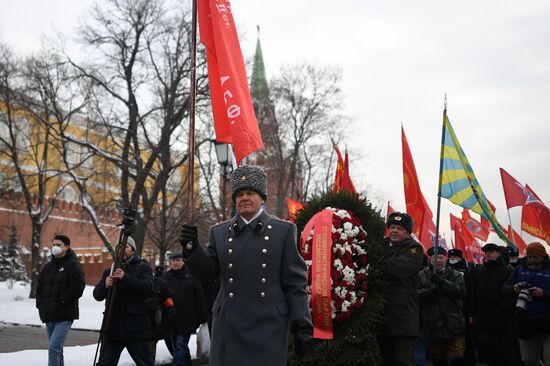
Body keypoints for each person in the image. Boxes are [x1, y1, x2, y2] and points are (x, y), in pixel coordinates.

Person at [180, 165, 313, 366]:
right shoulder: (219, 232)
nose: (244, 197)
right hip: (229, 326)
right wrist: (192, 249)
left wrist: (302, 324)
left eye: (250, 192)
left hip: (269, 326)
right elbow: (207, 274)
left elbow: (295, 283)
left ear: (262, 198)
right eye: (239, 194)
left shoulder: (283, 231)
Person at [93, 236, 156, 366]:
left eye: (126, 247)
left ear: (133, 250)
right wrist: (105, 285)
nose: (122, 250)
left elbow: (148, 288)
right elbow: (97, 295)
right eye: (119, 247)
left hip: (136, 328)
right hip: (113, 328)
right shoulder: (109, 270)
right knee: (105, 363)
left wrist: (125, 278)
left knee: (145, 363)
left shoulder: (143, 267)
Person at [378, 211, 424, 366]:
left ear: (407, 232)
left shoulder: (414, 249)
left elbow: (396, 269)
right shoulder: (379, 245)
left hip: (403, 320)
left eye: (399, 228)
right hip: (381, 319)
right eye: (392, 227)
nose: (394, 230)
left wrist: (375, 263)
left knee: (401, 362)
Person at [36, 234, 85, 366]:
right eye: (54, 245)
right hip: (49, 314)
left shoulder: (73, 265)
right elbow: (39, 287)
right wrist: (39, 304)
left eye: (59, 245)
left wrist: (60, 302)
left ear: (67, 247)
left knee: (53, 347)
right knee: (57, 349)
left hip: (64, 314)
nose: (55, 247)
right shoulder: (48, 267)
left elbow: (77, 288)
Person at [503, 242, 550, 366]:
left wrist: (543, 294)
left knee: (549, 357)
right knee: (528, 359)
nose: (532, 260)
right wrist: (515, 289)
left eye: (536, 257)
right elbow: (504, 288)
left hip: (548, 319)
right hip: (527, 322)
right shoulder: (519, 269)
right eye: (529, 257)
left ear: (543, 256)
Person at [418, 246, 466, 365]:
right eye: (434, 258)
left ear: (446, 259)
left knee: (457, 357)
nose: (438, 260)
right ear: (429, 259)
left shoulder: (455, 275)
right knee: (438, 358)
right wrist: (431, 291)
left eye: (440, 257)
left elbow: (461, 292)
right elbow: (416, 296)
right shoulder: (421, 275)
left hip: (453, 323)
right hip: (433, 323)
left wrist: (443, 283)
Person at [470, 242, 516, 366]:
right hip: (484, 317)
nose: (488, 253)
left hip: (503, 317)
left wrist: (500, 309)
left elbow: (512, 294)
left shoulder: (508, 270)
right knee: (487, 349)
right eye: (486, 251)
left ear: (499, 253)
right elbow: (475, 293)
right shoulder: (480, 270)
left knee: (504, 351)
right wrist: (473, 313)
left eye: (491, 251)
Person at [163, 251, 208, 366]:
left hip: (187, 318)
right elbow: (161, 296)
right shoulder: (165, 277)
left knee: (180, 345)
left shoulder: (192, 275)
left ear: (182, 261)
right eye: (173, 261)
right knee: (178, 348)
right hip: (171, 318)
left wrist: (202, 317)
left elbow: (200, 297)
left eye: (178, 260)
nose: (176, 263)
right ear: (170, 263)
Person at [447, 248, 476, 366]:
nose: (453, 259)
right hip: (448, 311)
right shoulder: (444, 270)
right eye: (451, 257)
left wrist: (471, 313)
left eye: (456, 257)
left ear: (461, 258)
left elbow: (472, 292)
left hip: (464, 310)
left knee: (467, 341)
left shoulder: (468, 271)